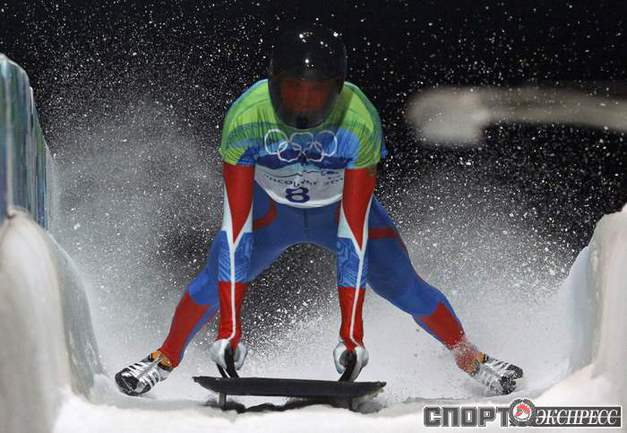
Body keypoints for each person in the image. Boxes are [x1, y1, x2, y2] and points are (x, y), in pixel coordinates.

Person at [115, 24, 522, 397]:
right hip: (271, 216)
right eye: (293, 89)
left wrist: (351, 336)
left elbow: (353, 235)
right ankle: (164, 358)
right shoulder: (246, 116)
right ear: (274, 83)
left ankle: (471, 358)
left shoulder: (359, 120)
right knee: (211, 282)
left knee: (404, 287)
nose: (303, 104)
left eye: (317, 92)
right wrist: (229, 331)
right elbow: (236, 229)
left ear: (338, 89)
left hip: (338, 214)